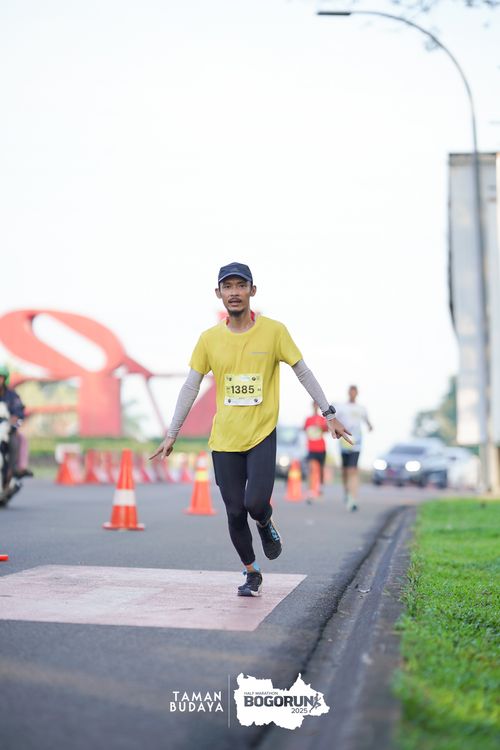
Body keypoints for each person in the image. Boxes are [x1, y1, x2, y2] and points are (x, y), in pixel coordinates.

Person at [150, 262, 352, 597]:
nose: (234, 292)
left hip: (261, 433)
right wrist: (173, 432)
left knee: (255, 503)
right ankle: (251, 572)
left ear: (252, 291)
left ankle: (264, 522)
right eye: (227, 287)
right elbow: (190, 386)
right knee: (234, 511)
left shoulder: (274, 332)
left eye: (240, 286)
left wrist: (328, 413)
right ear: (218, 294)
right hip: (225, 439)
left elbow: (302, 371)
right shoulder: (209, 339)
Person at [336, 385, 373, 512]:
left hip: (356, 443)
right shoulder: (341, 407)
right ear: (348, 393)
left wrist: (370, 426)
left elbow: (367, 421)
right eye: (351, 392)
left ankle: (353, 498)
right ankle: (347, 492)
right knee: (345, 471)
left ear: (357, 394)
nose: (352, 394)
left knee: (353, 470)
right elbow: (334, 420)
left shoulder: (361, 409)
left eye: (354, 392)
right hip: (344, 442)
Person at [0, 364, 30, 487]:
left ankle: (12, 471)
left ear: (4, 379)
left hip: (6, 430)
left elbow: (19, 412)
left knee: (15, 442)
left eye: (0, 377)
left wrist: (15, 420)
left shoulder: (12, 396)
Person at [303, 401, 328, 492]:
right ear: (312, 406)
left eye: (317, 405)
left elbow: (327, 430)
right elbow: (304, 430)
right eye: (314, 405)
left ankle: (321, 486)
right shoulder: (308, 419)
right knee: (311, 468)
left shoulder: (322, 419)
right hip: (311, 448)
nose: (315, 406)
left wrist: (320, 426)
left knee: (321, 468)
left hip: (321, 448)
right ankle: (311, 489)